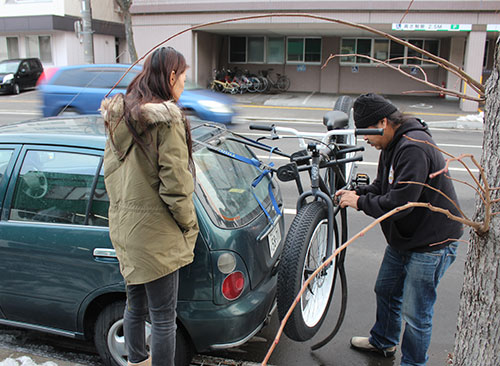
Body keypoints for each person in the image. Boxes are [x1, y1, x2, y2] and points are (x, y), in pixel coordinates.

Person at [335, 93, 463, 366]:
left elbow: (402, 203)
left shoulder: (413, 147)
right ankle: (383, 342)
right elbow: (384, 187)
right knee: (386, 289)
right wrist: (357, 191)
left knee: (416, 313)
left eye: (368, 132)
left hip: (433, 242)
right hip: (408, 237)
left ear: (383, 122)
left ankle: (414, 363)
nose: (366, 140)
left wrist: (359, 202)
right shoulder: (392, 145)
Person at [101, 47, 199, 366]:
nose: (184, 84)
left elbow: (110, 174)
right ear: (171, 77)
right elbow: (176, 185)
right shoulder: (167, 121)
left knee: (135, 306)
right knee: (163, 318)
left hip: (126, 230)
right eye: (183, 77)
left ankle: (137, 361)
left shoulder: (120, 117)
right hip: (157, 235)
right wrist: (188, 225)